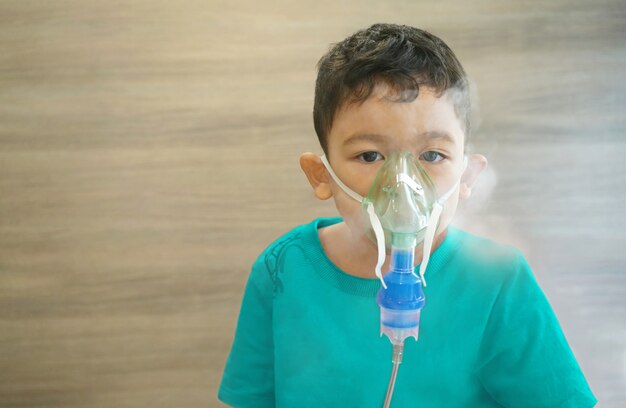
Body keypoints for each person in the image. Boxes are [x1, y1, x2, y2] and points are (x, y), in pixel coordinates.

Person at [218, 23, 597, 407]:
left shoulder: (497, 280)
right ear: (322, 176)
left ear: (466, 176)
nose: (400, 184)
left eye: (432, 156)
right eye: (370, 156)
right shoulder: (284, 270)